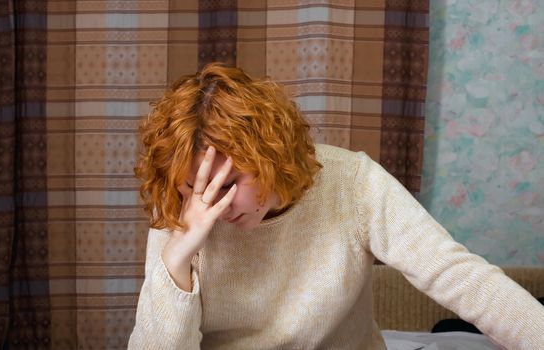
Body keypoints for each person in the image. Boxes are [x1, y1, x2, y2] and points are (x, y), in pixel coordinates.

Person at [128, 62, 544, 349]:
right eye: (196, 190)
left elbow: (457, 274)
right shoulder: (184, 215)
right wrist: (177, 257)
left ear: (270, 155)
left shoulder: (352, 183)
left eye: (229, 183)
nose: (214, 206)